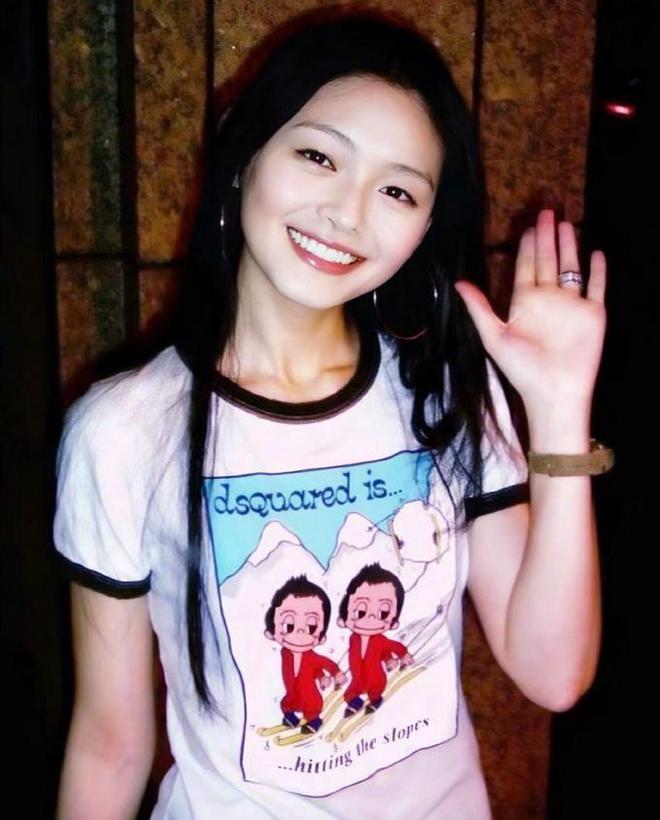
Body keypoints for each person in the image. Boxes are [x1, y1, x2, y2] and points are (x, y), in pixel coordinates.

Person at [53, 10, 611, 819]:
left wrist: (558, 410)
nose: (348, 213)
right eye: (318, 156)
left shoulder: (442, 386)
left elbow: (553, 675)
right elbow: (111, 744)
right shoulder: (124, 431)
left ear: (424, 227)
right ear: (245, 152)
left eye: (396, 190)